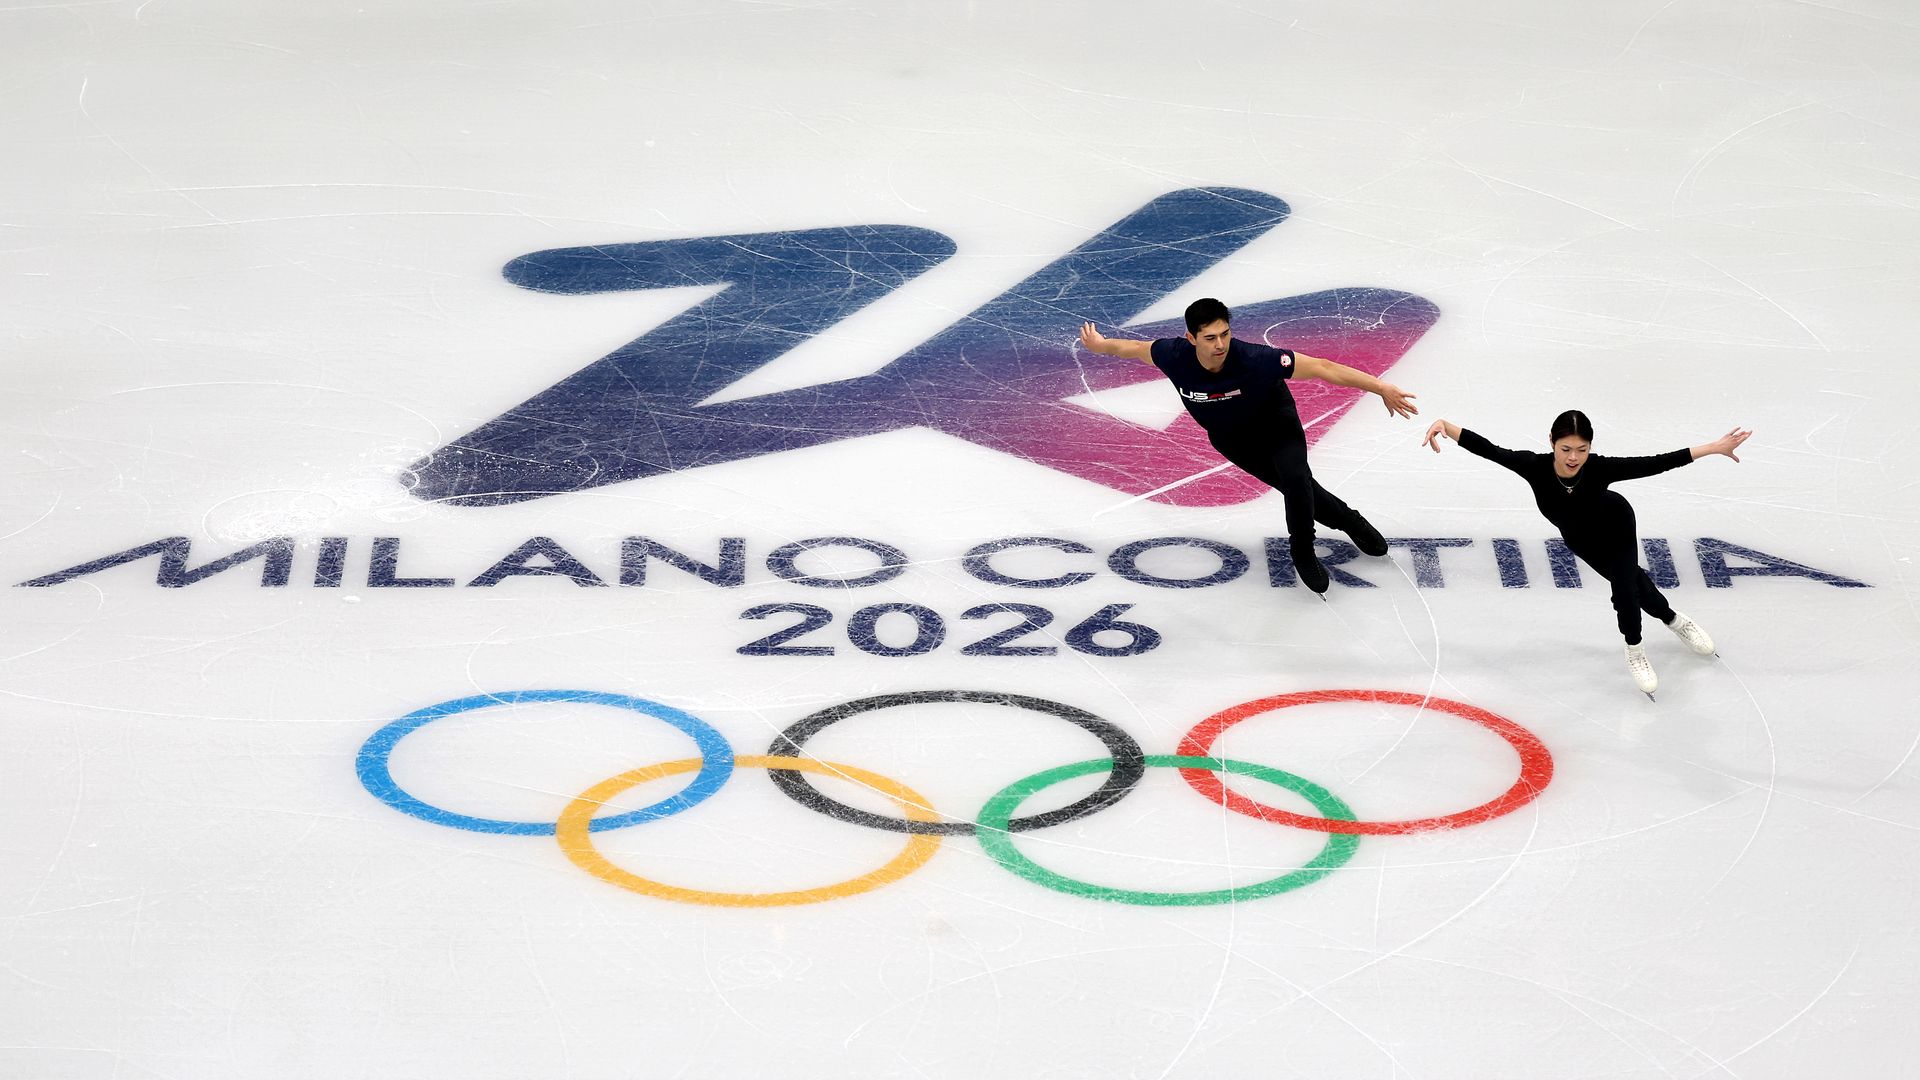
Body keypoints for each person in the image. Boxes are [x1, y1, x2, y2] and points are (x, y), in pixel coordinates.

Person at [1078, 298, 1419, 594]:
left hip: (1276, 420)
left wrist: (1380, 388)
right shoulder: (1172, 354)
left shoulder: (1256, 359)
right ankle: (1349, 520)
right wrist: (1100, 344)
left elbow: (1322, 368)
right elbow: (1133, 349)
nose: (1220, 344)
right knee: (1296, 487)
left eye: (1224, 334)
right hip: (1231, 438)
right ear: (1191, 338)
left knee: (1296, 479)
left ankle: (1302, 550)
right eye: (1210, 338)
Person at [1422, 411, 1752, 697]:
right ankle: (1673, 619)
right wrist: (1446, 427)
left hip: (1617, 525)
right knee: (1638, 586)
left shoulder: (1598, 469)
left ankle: (1635, 649)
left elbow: (1655, 463)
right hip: (1582, 541)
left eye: (1582, 449)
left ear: (1590, 447)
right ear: (1552, 441)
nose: (1573, 457)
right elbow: (1491, 451)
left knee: (1624, 590)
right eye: (1566, 448)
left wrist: (1712, 448)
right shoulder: (1533, 467)